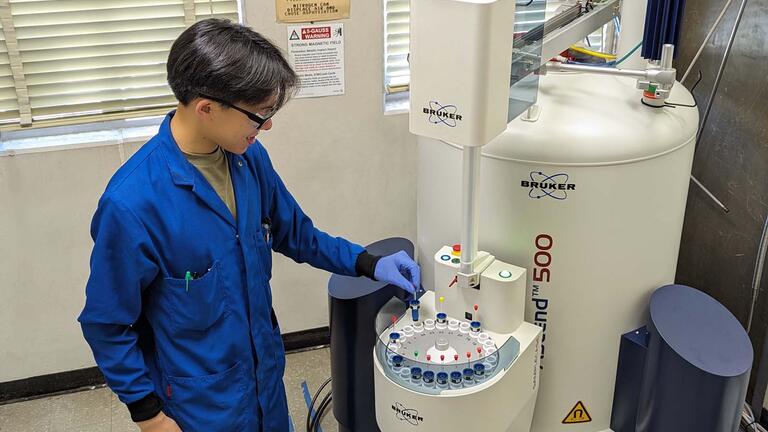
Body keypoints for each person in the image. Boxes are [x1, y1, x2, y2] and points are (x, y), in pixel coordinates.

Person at [78, 19, 420, 432]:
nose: (267, 126)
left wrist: (367, 262)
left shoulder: (247, 159)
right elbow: (107, 324)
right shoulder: (133, 204)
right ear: (206, 108)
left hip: (265, 386)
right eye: (259, 115)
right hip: (201, 407)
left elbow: (297, 233)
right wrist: (149, 416)